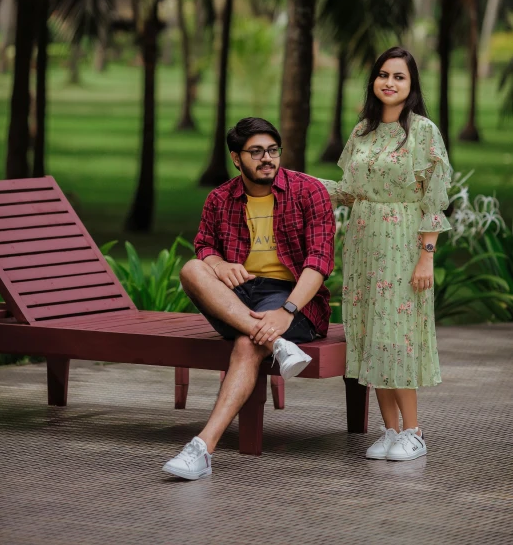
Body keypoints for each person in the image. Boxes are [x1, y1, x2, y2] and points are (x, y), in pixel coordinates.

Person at [163, 117, 336, 480]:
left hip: (294, 297)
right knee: (193, 269)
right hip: (238, 297)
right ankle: (277, 344)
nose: (267, 159)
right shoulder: (220, 198)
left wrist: (287, 312)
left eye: (272, 150)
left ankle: (202, 448)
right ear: (236, 158)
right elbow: (204, 245)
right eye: (256, 152)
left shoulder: (309, 192)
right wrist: (218, 263)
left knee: (246, 345)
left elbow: (319, 262)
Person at [321, 46, 451, 462]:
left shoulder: (424, 132)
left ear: (411, 86)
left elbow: (434, 200)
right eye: (383, 74)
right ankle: (390, 431)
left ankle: (413, 432)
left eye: (399, 76)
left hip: (402, 245)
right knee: (370, 335)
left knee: (397, 337)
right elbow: (349, 190)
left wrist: (426, 255)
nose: (389, 83)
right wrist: (301, 182)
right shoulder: (362, 131)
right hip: (362, 247)